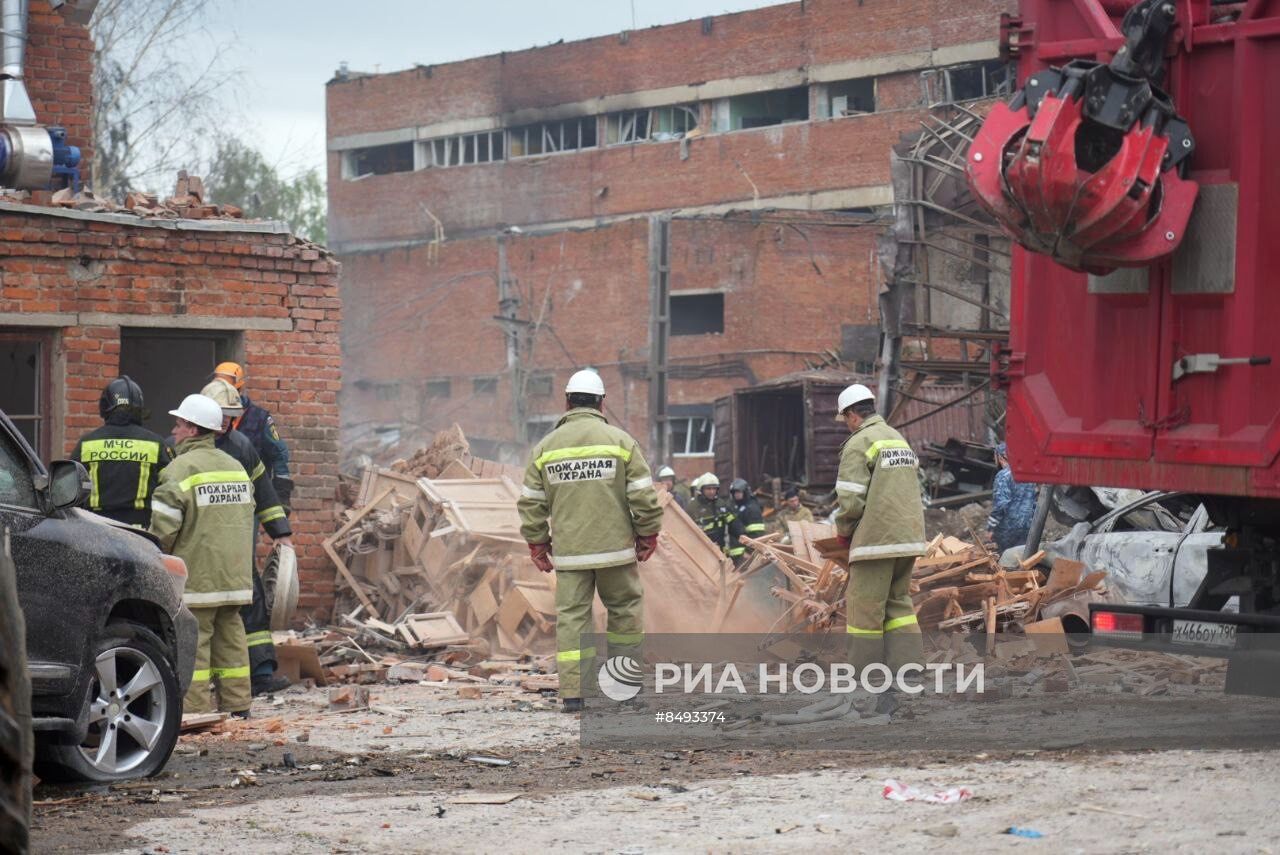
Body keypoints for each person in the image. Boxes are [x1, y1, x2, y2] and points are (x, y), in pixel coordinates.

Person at [517, 369, 663, 713]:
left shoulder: (544, 448)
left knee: (572, 620)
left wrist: (538, 544)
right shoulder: (621, 441)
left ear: (567, 401)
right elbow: (643, 498)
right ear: (601, 403)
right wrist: (647, 534)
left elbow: (531, 503)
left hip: (570, 557)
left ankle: (573, 693)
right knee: (624, 613)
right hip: (616, 553)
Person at [149, 394, 257, 717]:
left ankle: (194, 712)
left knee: (194, 647)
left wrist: (154, 562)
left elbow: (162, 531)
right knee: (233, 645)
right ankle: (238, 708)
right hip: (235, 578)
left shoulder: (179, 470)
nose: (175, 429)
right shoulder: (236, 468)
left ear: (194, 430)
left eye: (180, 424)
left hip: (197, 578)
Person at [833, 383, 926, 714]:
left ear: (853, 414)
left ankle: (865, 681)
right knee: (898, 604)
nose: (846, 423)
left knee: (864, 610)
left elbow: (850, 498)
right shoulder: (896, 438)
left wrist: (844, 532)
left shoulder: (860, 442)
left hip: (876, 541)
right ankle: (909, 670)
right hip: (909, 537)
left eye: (845, 418)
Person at [200, 379, 293, 696]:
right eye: (220, 415)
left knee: (252, 603)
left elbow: (264, 493)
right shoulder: (183, 447)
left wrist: (281, 534)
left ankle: (261, 675)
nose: (226, 421)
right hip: (198, 547)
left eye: (230, 415)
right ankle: (202, 686)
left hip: (235, 543)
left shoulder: (242, 446)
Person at [72, 376, 174, 527]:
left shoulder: (87, 444)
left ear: (105, 407)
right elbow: (172, 490)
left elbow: (70, 489)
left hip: (97, 532)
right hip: (141, 534)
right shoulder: (157, 444)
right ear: (139, 407)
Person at [213, 362, 294, 511]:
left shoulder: (259, 418)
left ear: (239, 389)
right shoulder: (207, 417)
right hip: (215, 493)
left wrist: (282, 494)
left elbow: (279, 454)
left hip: (250, 496)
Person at [987, 442, 1038, 553]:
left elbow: (1001, 505)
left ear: (1000, 456)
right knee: (1023, 558)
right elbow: (1035, 502)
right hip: (1028, 527)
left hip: (1008, 529)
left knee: (1006, 561)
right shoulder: (1027, 474)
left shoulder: (1002, 476)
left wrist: (991, 527)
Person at [688, 473, 744, 560]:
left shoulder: (721, 505)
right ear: (701, 490)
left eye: (714, 488)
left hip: (721, 553)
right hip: (700, 555)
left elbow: (735, 526)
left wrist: (745, 540)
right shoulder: (692, 508)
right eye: (708, 489)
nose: (712, 492)